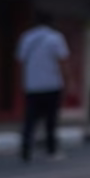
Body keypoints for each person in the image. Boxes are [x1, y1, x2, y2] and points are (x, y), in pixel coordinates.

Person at [16, 11, 70, 163]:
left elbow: (21, 61)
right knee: (51, 120)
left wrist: (24, 82)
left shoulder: (26, 37)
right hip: (52, 84)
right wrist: (67, 82)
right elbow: (63, 62)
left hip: (32, 85)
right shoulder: (55, 38)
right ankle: (51, 150)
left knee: (30, 120)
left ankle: (26, 149)